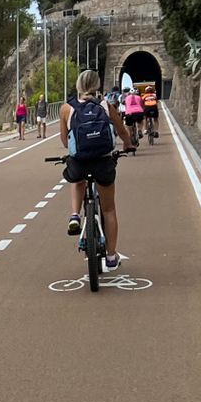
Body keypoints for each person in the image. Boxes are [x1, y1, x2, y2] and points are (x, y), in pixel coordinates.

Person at [59, 69, 130, 272]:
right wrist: (128, 144)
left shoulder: (66, 108)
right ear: (97, 85)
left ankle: (75, 214)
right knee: (109, 209)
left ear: (78, 85)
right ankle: (111, 257)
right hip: (103, 162)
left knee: (76, 177)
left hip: (80, 162)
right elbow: (122, 131)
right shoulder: (106, 106)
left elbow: (65, 141)